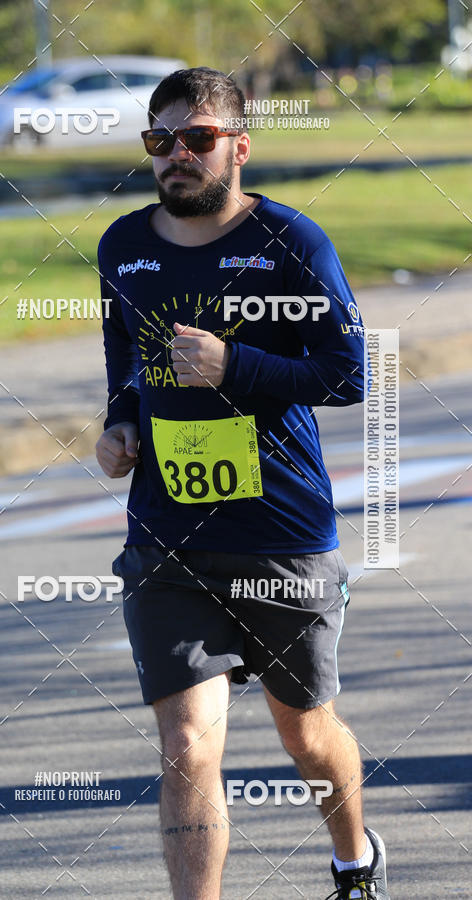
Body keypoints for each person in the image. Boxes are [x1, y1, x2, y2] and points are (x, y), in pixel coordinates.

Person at [96, 66, 388, 900]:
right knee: (188, 745)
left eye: (197, 139)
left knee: (305, 734)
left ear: (240, 148)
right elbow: (126, 366)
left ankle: (353, 859)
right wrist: (119, 426)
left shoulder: (293, 244)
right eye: (161, 140)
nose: (176, 156)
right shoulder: (124, 246)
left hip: (282, 536)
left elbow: (349, 372)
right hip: (166, 537)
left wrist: (237, 364)